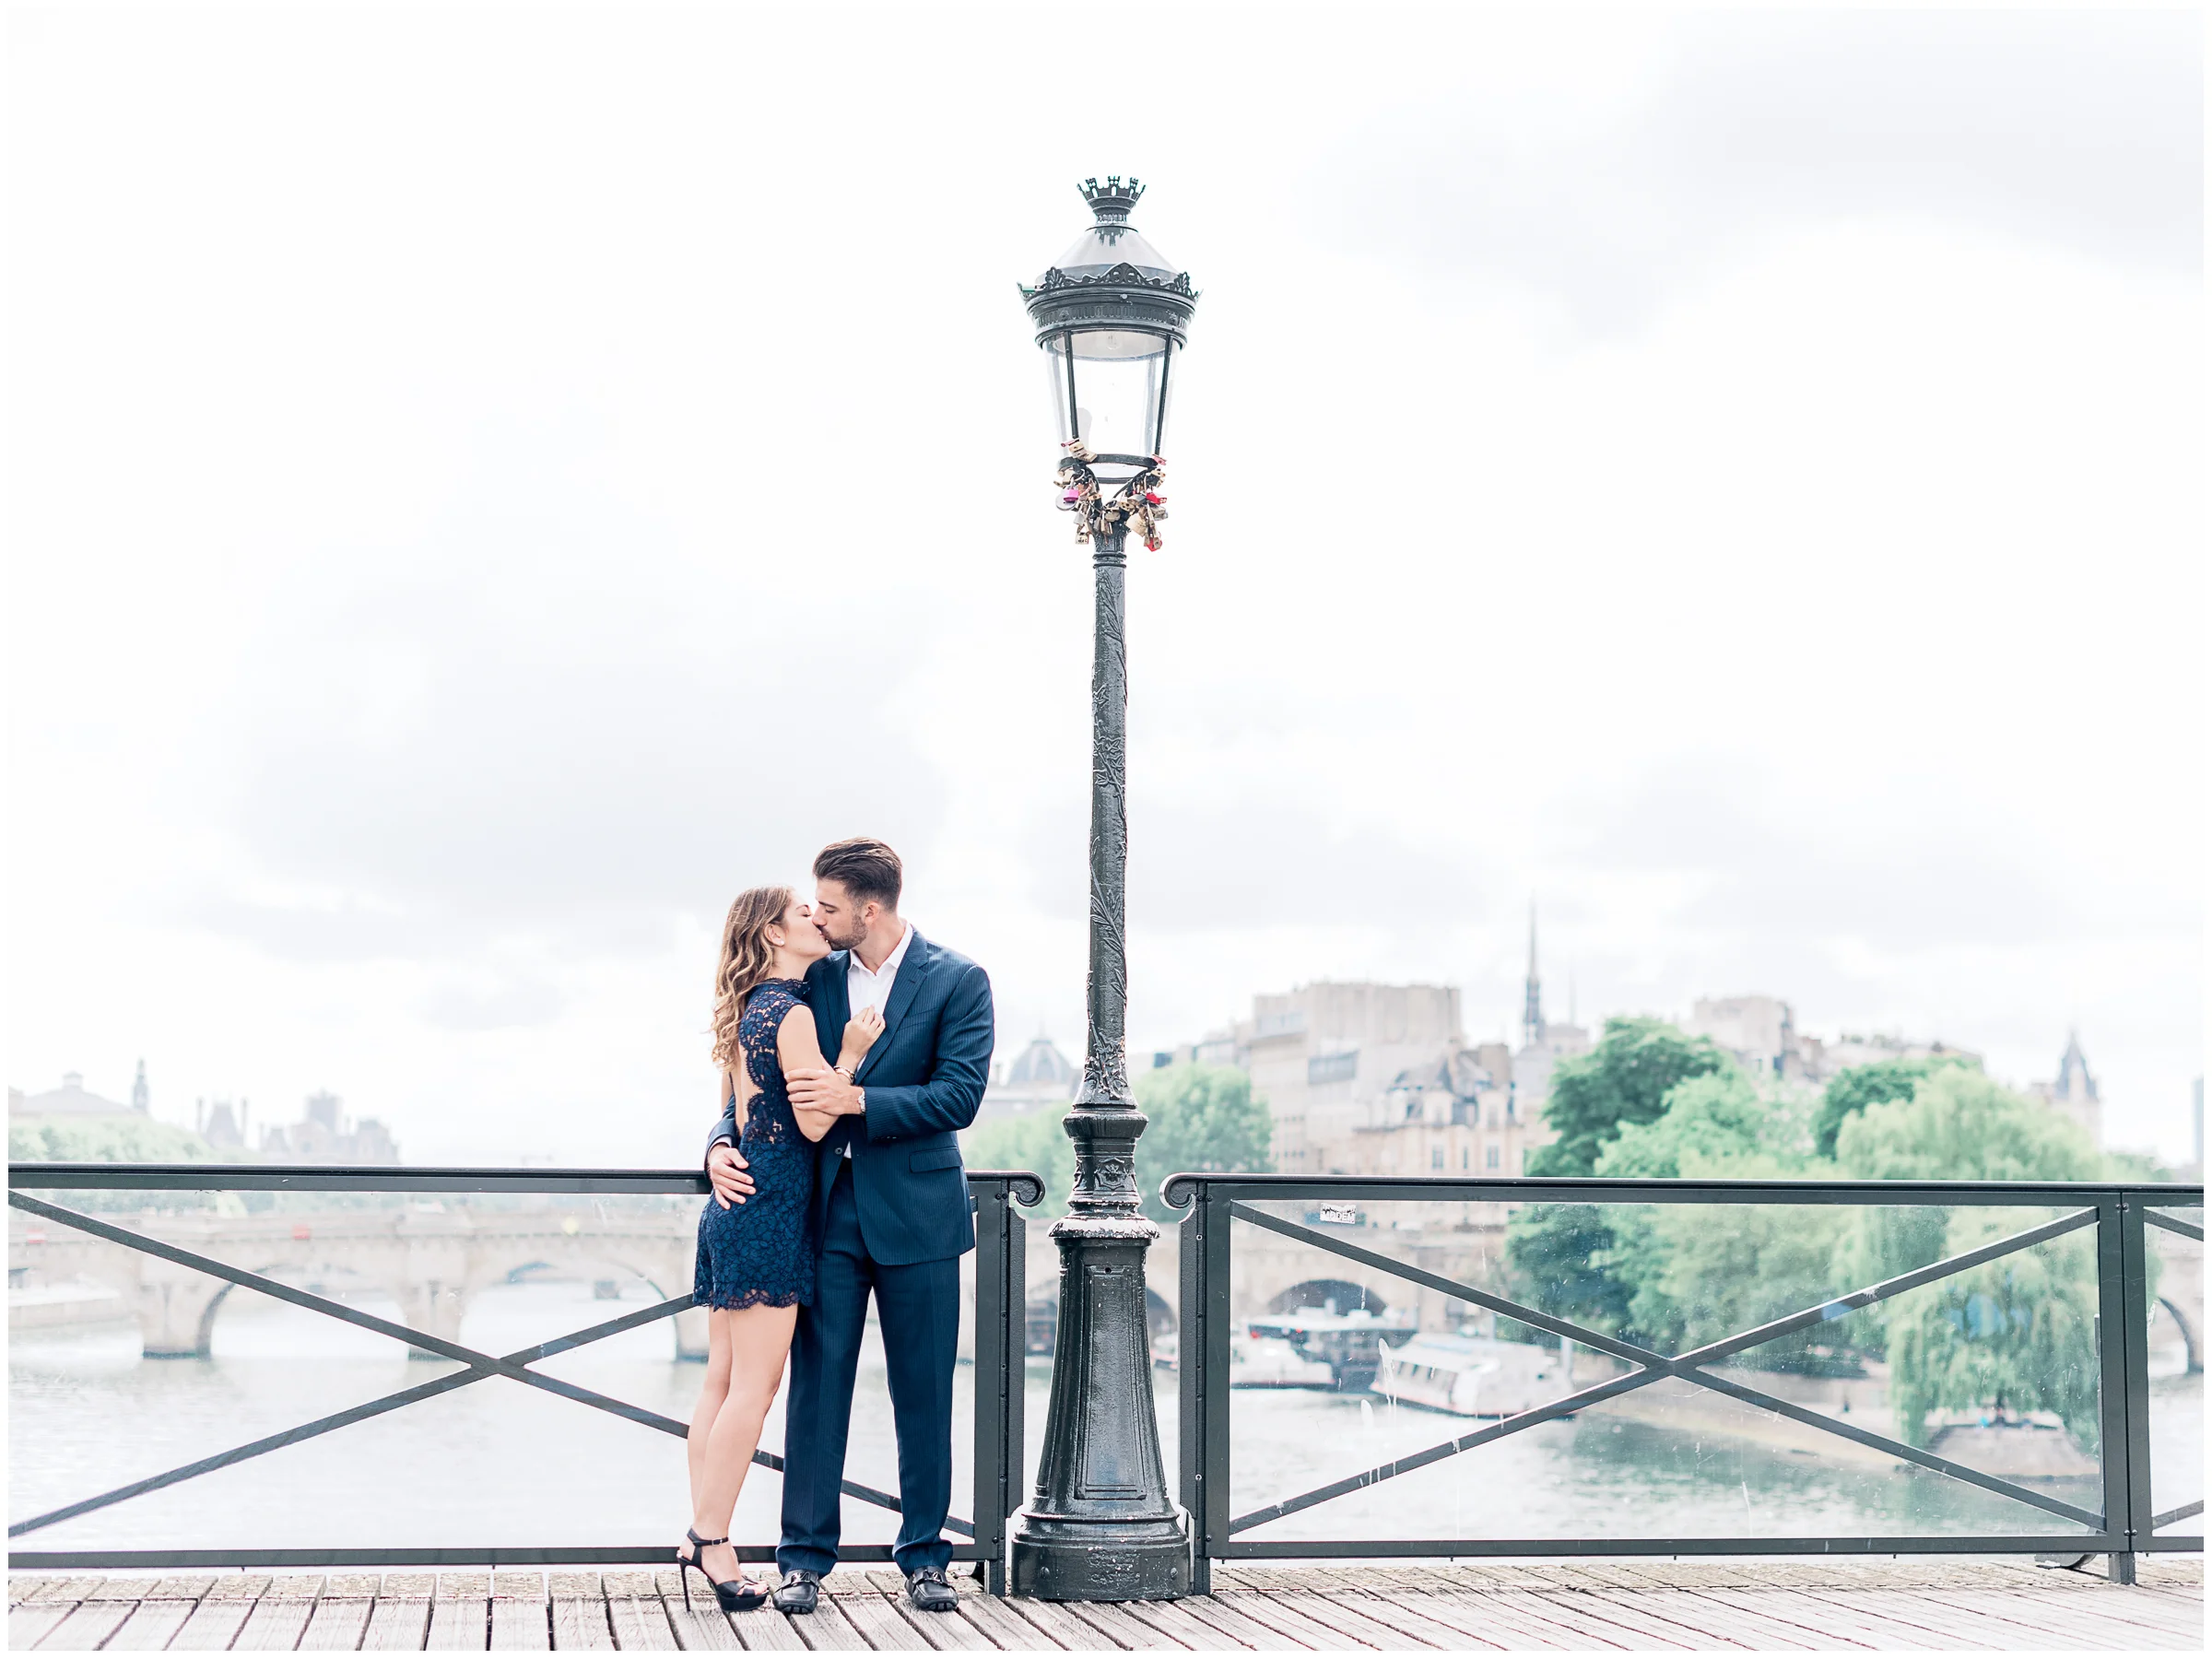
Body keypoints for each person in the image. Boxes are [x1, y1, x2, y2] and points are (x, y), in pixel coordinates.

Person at [704, 838, 994, 1614]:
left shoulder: (959, 980)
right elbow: (753, 1074)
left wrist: (855, 1101)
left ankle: (926, 1558)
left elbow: (958, 1098)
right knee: (816, 1391)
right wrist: (717, 1145)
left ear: (869, 908)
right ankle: (803, 1558)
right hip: (822, 1216)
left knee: (924, 1393)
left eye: (828, 905)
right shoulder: (811, 980)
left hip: (921, 1217)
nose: (817, 915)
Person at [678, 884, 884, 1614]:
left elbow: (737, 1113)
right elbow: (819, 1122)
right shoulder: (791, 1012)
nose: (816, 919)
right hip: (771, 1214)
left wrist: (716, 1149)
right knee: (755, 1390)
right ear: (771, 935)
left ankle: (699, 1529)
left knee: (722, 1381)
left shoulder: (748, 1011)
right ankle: (714, 1541)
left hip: (736, 1210)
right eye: (803, 913)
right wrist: (852, 1053)